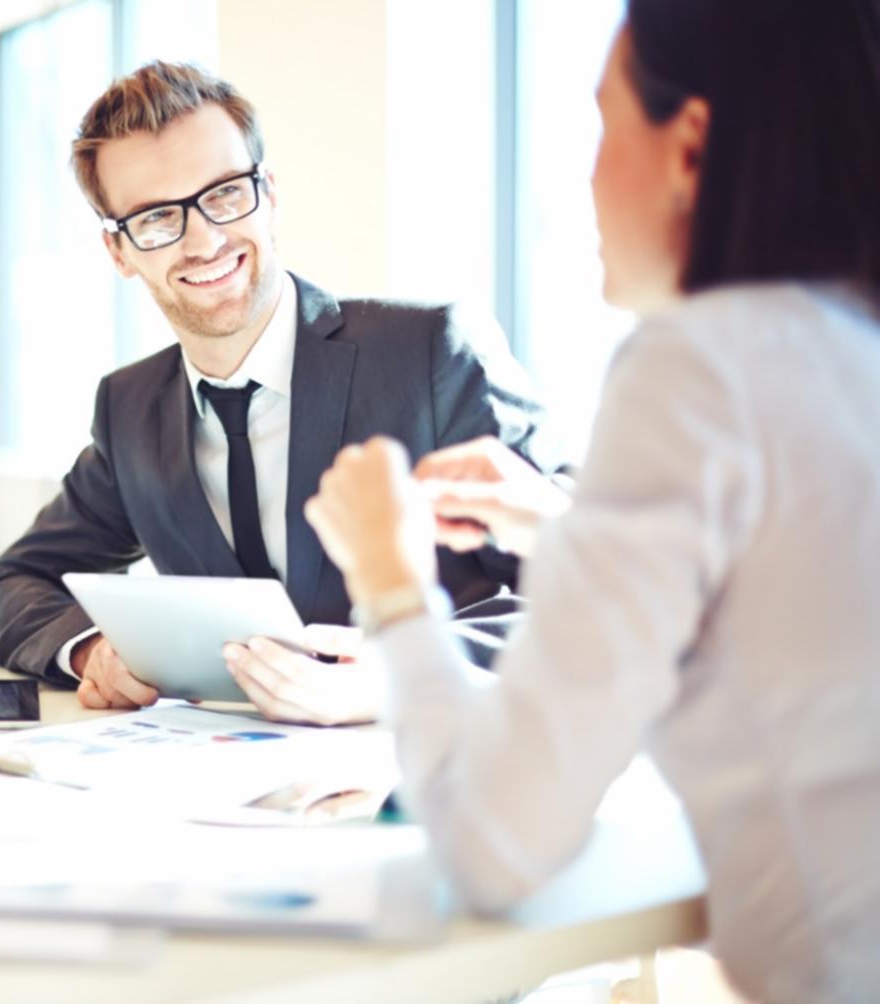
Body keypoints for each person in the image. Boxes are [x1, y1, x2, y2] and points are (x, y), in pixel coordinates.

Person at [300, 1, 880, 999]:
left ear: (688, 145)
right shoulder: (840, 349)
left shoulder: (696, 368)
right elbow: (807, 568)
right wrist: (556, 521)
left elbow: (491, 842)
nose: (582, 174)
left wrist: (390, 583)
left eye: (603, 122)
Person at [0, 62, 563, 723]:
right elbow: (15, 586)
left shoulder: (428, 353)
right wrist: (92, 652)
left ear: (270, 193)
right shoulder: (129, 409)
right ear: (119, 252)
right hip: (225, 790)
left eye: (224, 194)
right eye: (156, 218)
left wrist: (410, 672)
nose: (204, 240)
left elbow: (590, 569)